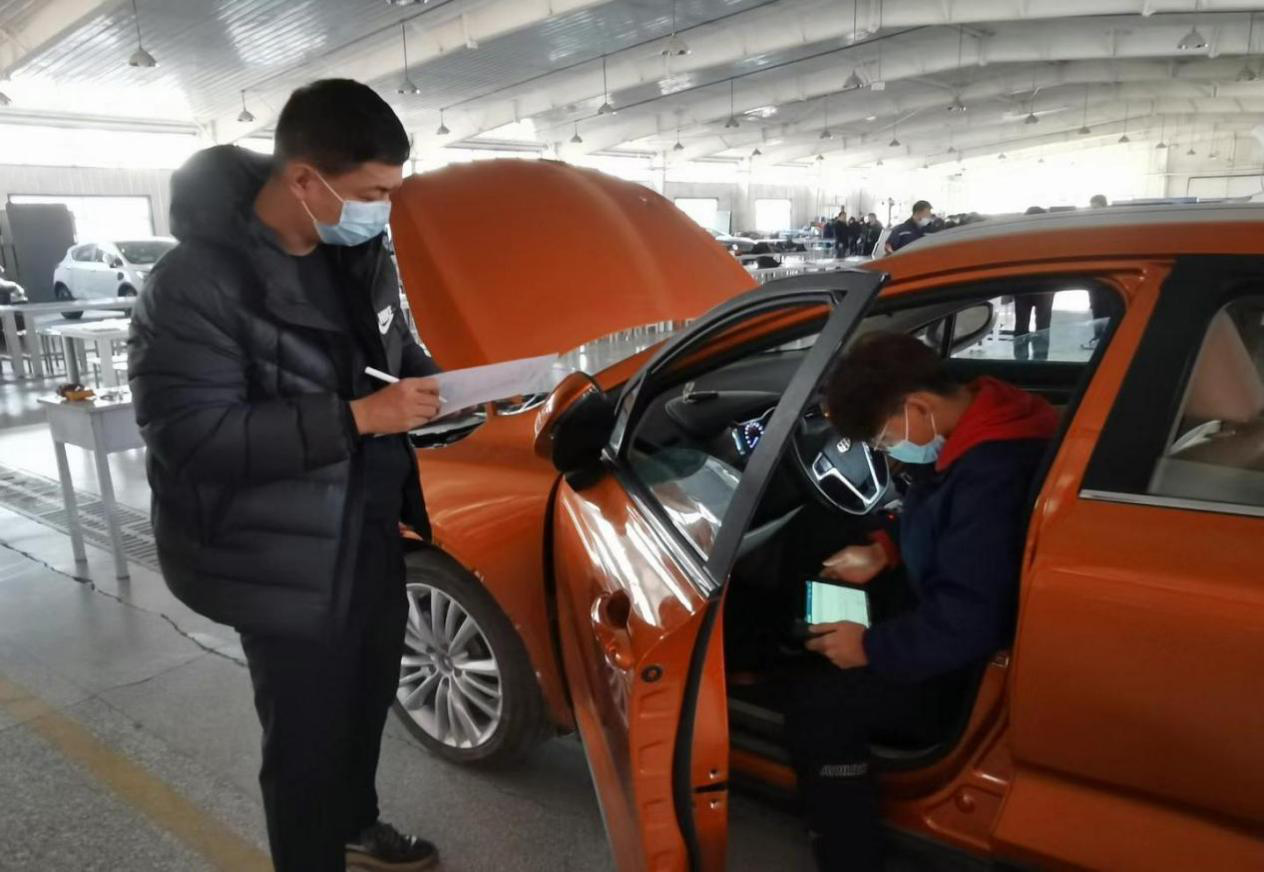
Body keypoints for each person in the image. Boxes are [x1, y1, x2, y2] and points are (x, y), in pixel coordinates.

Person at [129, 79, 442, 872]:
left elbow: (395, 350)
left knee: (368, 697)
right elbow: (192, 436)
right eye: (373, 193)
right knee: (305, 737)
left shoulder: (357, 255)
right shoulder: (194, 285)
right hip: (275, 551)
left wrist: (447, 389)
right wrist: (359, 418)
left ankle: (356, 825)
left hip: (370, 526)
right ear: (305, 179)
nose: (385, 210)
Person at [785, 332, 1058, 871]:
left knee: (818, 710)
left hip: (965, 665)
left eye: (884, 440)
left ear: (917, 407)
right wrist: (884, 550)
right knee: (830, 554)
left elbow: (968, 619)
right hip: (953, 614)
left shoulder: (990, 475)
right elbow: (943, 521)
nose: (888, 454)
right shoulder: (989, 420)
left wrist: (869, 649)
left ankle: (849, 857)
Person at [1085, 195, 1112, 347]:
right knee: (1096, 307)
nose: (1093, 211)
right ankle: (1097, 337)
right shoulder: (1091, 227)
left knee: (1108, 308)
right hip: (1094, 277)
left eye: (1096, 208)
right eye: (1092, 208)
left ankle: (1107, 338)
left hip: (1108, 276)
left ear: (1104, 206)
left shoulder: (1111, 226)